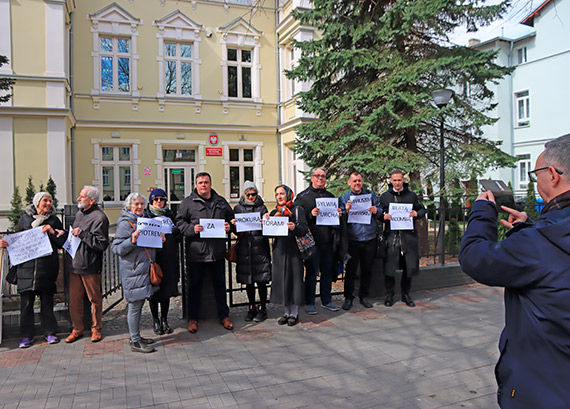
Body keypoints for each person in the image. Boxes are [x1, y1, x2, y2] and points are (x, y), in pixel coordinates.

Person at [459, 134, 570, 409]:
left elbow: (475, 258)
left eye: (536, 174)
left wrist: (483, 211)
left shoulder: (536, 244)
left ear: (553, 175)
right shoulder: (542, 238)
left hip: (544, 388)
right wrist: (529, 227)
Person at [0, 192, 66, 348]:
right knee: (26, 305)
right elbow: (16, 240)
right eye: (45, 200)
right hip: (26, 271)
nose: (48, 203)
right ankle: (26, 337)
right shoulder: (25, 219)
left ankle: (50, 333)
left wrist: (51, 231)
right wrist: (6, 244)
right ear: (37, 203)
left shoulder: (54, 221)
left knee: (47, 304)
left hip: (46, 270)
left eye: (50, 201)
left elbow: (61, 242)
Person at [175, 172, 234, 333]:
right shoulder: (188, 202)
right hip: (196, 253)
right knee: (194, 288)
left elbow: (232, 219)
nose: (203, 185)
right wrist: (191, 229)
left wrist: (230, 226)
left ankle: (224, 316)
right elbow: (179, 222)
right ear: (196, 184)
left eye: (206, 182)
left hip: (217, 253)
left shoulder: (220, 201)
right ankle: (193, 319)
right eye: (200, 182)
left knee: (220, 286)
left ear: (210, 183)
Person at [112, 193, 164, 353]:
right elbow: (116, 248)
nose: (140, 207)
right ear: (129, 206)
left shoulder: (145, 220)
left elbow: (148, 246)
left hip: (143, 270)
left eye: (142, 204)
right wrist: (131, 241)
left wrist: (159, 239)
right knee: (134, 306)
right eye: (136, 204)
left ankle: (137, 336)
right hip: (133, 271)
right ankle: (134, 340)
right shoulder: (125, 224)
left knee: (139, 304)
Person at [65, 186, 109, 343]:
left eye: (82, 196)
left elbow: (102, 244)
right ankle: (77, 329)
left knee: (94, 300)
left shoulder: (99, 217)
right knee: (74, 300)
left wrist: (83, 234)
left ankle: (96, 329)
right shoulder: (79, 214)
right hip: (75, 264)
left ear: (91, 200)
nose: (78, 198)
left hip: (90, 265)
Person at [295, 168, 342, 315]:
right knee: (311, 274)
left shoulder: (330, 197)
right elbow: (298, 221)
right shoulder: (303, 197)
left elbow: (335, 221)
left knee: (327, 273)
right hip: (312, 244)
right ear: (312, 178)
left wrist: (339, 214)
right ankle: (309, 302)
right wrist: (310, 214)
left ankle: (326, 300)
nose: (320, 178)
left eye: (323, 176)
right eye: (318, 176)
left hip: (327, 241)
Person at [380, 169, 426, 308]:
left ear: (403, 180)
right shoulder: (385, 196)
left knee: (408, 267)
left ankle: (406, 294)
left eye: (399, 180)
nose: (397, 183)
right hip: (391, 237)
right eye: (394, 180)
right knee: (390, 268)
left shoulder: (411, 196)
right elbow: (378, 213)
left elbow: (422, 210)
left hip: (408, 237)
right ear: (390, 181)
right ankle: (389, 294)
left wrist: (416, 214)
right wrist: (383, 216)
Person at [338, 171, 382, 310]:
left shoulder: (371, 195)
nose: (357, 183)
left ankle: (364, 296)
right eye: (354, 181)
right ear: (349, 182)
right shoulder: (344, 198)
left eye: (359, 181)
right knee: (351, 270)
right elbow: (339, 216)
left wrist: (376, 210)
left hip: (369, 238)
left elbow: (380, 210)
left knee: (367, 269)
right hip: (353, 239)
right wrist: (345, 211)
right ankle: (348, 298)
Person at [268, 185, 308, 326]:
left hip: (294, 251)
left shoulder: (297, 210)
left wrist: (294, 228)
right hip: (279, 251)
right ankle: (285, 312)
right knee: (282, 280)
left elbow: (304, 229)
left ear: (289, 195)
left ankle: (295, 313)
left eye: (282, 194)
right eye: (277, 194)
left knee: (295, 280)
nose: (279, 196)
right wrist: (266, 221)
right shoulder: (274, 212)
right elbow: (269, 233)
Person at [231, 181, 271, 322]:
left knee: (261, 281)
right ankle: (251, 307)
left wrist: (266, 221)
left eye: (253, 194)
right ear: (244, 194)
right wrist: (233, 225)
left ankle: (262, 308)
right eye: (248, 194)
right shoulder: (238, 209)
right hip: (245, 249)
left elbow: (269, 229)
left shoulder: (262, 208)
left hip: (260, 249)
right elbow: (235, 232)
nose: (251, 197)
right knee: (248, 281)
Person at [144, 188, 181, 335]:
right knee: (154, 291)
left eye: (162, 199)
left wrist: (175, 233)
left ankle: (164, 319)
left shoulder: (170, 215)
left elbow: (178, 237)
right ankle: (155, 320)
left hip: (169, 258)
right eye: (156, 199)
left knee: (166, 291)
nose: (159, 202)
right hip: (154, 259)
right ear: (151, 201)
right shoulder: (146, 216)